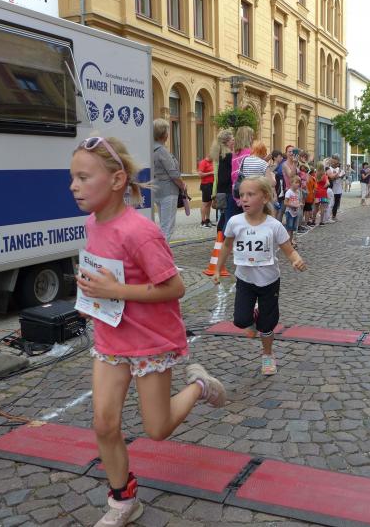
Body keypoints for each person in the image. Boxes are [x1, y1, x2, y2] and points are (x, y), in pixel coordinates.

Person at [69, 136, 226, 526]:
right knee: (104, 423)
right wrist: (91, 298)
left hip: (150, 341)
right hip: (111, 338)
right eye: (72, 178)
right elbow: (104, 274)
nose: (74, 186)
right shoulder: (91, 223)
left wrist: (114, 291)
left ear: (117, 180)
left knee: (157, 429)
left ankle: (199, 385)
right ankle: (123, 501)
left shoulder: (140, 232)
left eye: (84, 177)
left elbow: (175, 287)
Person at [214, 176, 306, 375]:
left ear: (264, 198)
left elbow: (289, 250)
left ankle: (267, 355)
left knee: (267, 325)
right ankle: (254, 315)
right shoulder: (235, 222)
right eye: (241, 195)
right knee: (240, 321)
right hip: (245, 280)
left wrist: (296, 259)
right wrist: (217, 269)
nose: (244, 199)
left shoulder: (274, 226)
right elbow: (226, 246)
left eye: (250, 194)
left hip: (269, 281)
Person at [152, 118, 186, 241]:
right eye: (167, 130)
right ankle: (162, 252)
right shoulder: (162, 151)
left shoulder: (151, 149)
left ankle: (160, 250)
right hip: (169, 191)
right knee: (167, 228)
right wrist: (183, 186)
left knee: (163, 225)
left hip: (157, 190)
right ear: (164, 133)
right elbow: (173, 174)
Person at [210, 129, 234, 232]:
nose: (234, 142)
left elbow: (217, 178)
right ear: (227, 142)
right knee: (228, 219)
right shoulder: (229, 156)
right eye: (232, 140)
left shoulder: (219, 156)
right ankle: (224, 239)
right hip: (228, 192)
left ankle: (220, 239)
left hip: (220, 192)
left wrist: (214, 194)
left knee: (223, 217)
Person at [197, 153, 214, 228]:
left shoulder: (212, 162)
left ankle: (208, 220)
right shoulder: (203, 162)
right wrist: (211, 173)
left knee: (209, 203)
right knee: (205, 203)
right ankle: (202, 221)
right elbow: (200, 174)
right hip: (206, 185)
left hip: (211, 184)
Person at [284, 176, 302, 247]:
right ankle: (288, 243)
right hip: (289, 212)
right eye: (296, 182)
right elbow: (285, 203)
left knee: (292, 229)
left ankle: (290, 241)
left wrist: (299, 204)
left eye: (299, 183)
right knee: (289, 228)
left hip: (295, 212)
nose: (298, 184)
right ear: (291, 183)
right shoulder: (289, 192)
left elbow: (297, 200)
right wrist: (293, 205)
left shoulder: (297, 192)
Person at [327, 154, 345, 222]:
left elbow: (342, 176)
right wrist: (338, 176)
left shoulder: (339, 169)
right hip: (331, 189)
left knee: (336, 203)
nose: (336, 163)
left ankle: (334, 216)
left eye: (337, 161)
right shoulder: (329, 169)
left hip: (338, 189)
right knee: (330, 203)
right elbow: (331, 178)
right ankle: (328, 217)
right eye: (334, 161)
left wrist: (342, 176)